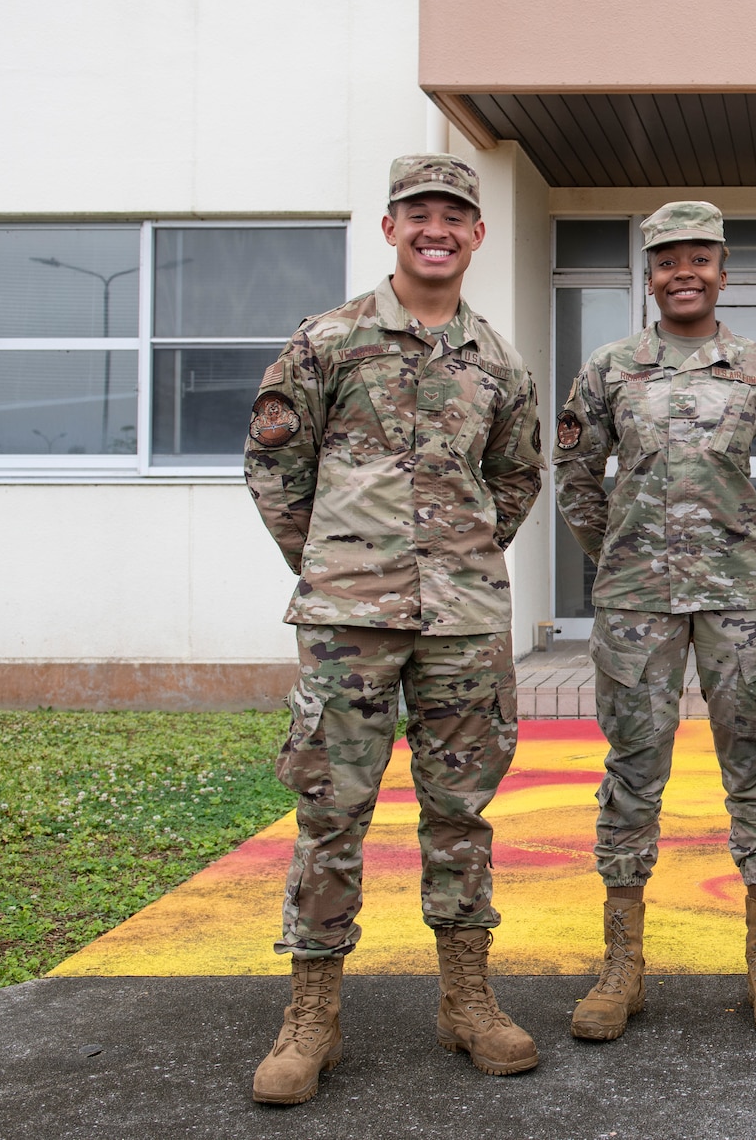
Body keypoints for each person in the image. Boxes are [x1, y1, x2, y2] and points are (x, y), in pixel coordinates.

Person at [244, 153, 544, 1104]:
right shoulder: (328, 342)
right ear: (390, 227)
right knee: (331, 811)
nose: (436, 229)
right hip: (349, 620)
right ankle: (313, 1017)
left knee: (461, 811)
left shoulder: (498, 360)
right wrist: (337, 563)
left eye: (454, 215)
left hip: (463, 619)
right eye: (419, 213)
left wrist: (458, 557)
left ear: (477, 234)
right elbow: (274, 468)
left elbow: (516, 478)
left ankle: (467, 999)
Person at [553, 200, 756, 1041]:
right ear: (649, 274)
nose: (684, 272)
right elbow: (575, 474)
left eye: (700, 257)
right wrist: (619, 551)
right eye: (668, 259)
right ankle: (622, 964)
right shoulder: (609, 369)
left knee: (754, 764)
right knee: (633, 769)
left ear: (723, 271)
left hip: (741, 600)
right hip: (636, 599)